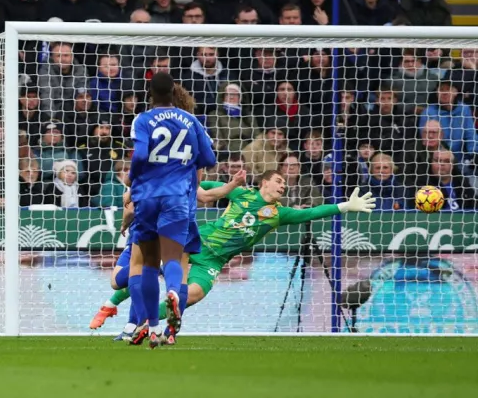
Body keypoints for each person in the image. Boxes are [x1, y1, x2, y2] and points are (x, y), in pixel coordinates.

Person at [95, 171, 377, 339]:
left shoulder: (279, 215)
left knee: (190, 295)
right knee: (145, 268)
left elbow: (311, 212)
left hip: (213, 261)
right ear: (264, 183)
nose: (283, 186)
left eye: (284, 184)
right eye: (278, 181)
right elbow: (205, 187)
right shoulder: (240, 193)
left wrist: (345, 206)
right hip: (195, 241)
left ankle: (144, 325)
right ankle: (111, 303)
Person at [122, 72, 216, 347]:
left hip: (148, 196)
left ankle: (151, 326)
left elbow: (139, 155)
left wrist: (131, 178)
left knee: (149, 262)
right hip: (177, 198)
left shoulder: (143, 119)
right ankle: (173, 292)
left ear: (150, 93)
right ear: (174, 91)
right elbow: (208, 157)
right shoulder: (191, 120)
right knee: (173, 258)